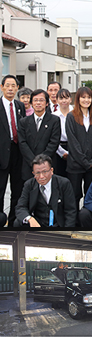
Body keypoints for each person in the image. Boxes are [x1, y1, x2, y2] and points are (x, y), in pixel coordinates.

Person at [66, 87, 92, 213]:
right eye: (83, 97)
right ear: (78, 99)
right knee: (75, 195)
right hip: (75, 165)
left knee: (91, 195)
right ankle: (74, 221)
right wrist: (83, 161)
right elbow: (72, 142)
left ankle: (87, 219)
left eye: (89, 97)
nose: (86, 100)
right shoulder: (71, 117)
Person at [13, 154, 76, 227]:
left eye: (45, 172)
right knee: (18, 222)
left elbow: (70, 211)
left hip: (58, 224)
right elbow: (20, 207)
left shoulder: (64, 183)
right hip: (38, 223)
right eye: (38, 173)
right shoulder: (29, 184)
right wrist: (30, 219)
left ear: (51, 170)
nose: (41, 176)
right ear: (33, 173)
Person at [17, 89, 61, 181]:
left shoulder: (54, 120)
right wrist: (34, 162)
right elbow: (22, 143)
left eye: (41, 100)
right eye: (35, 100)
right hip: (29, 164)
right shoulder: (23, 122)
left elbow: (54, 142)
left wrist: (42, 162)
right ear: (31, 103)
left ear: (47, 103)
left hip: (48, 164)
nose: (38, 103)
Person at [1, 75, 27, 227]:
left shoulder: (19, 106)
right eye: (7, 85)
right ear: (2, 87)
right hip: (2, 154)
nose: (10, 88)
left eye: (13, 86)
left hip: (18, 152)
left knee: (17, 190)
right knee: (1, 190)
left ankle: (12, 222)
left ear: (17, 88)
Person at [52, 88, 73, 178]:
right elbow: (52, 137)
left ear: (70, 99)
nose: (64, 101)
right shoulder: (53, 116)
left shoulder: (76, 113)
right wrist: (62, 152)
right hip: (58, 149)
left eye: (66, 98)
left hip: (74, 148)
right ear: (57, 100)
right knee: (59, 177)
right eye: (61, 98)